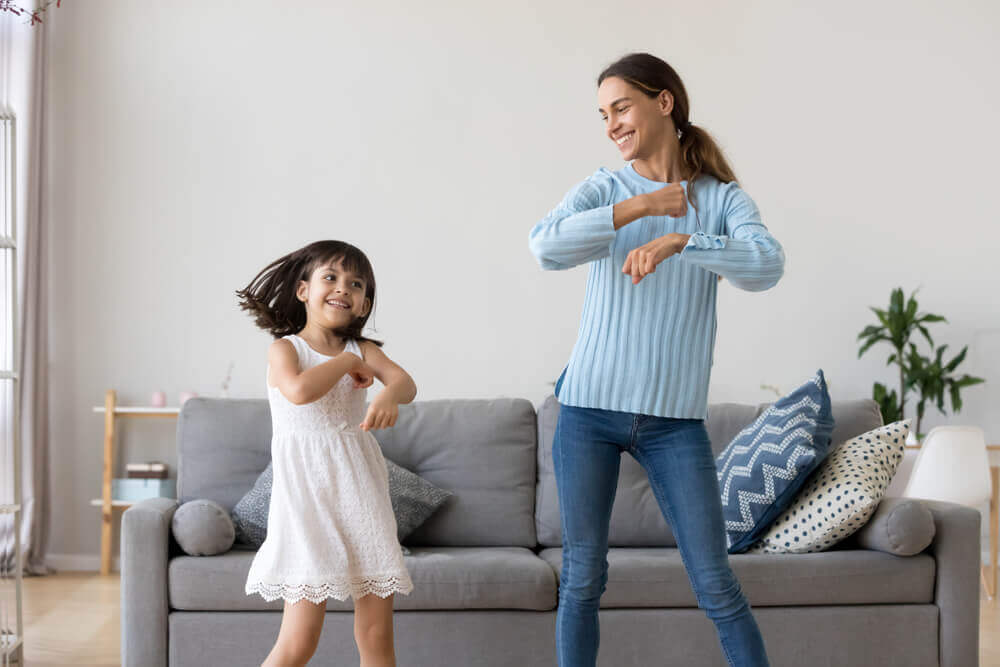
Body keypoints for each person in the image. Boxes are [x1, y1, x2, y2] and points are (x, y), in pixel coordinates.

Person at [528, 52, 785, 667]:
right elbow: (544, 247)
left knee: (716, 583)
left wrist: (685, 241)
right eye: (603, 115)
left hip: (675, 423)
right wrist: (641, 208)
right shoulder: (604, 188)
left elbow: (767, 265)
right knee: (583, 579)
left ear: (662, 102)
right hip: (587, 411)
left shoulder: (721, 200)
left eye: (621, 107)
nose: (612, 124)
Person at [236, 240, 416, 667]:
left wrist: (388, 392)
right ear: (303, 290)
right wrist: (344, 365)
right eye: (331, 278)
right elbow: (298, 392)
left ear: (364, 303)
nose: (343, 288)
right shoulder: (285, 349)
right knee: (299, 642)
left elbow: (406, 384)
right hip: (307, 504)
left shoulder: (365, 350)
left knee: (376, 636)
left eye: (356, 284)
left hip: (361, 494)